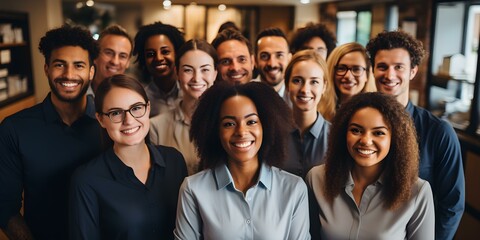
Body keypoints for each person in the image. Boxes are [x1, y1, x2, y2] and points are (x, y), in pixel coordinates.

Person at [0, 24, 102, 240]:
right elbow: (4, 207)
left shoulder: (111, 124)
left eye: (79, 65)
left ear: (91, 72)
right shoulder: (14, 129)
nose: (69, 74)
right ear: (46, 68)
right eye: (59, 64)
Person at [174, 82, 310, 239]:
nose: (241, 131)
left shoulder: (294, 189)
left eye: (251, 121)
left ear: (266, 126)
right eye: (229, 124)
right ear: (214, 131)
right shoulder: (193, 189)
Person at [366, 30, 465, 240]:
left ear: (413, 71)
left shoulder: (439, 132)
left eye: (398, 67)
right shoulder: (357, 125)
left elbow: (452, 204)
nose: (390, 75)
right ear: (373, 70)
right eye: (382, 66)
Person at [69, 74, 187, 239]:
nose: (129, 120)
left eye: (137, 108)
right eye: (116, 112)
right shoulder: (86, 180)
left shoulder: (174, 160)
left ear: (148, 108)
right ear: (101, 119)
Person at [307, 92, 435, 240]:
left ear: (395, 139)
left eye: (378, 133)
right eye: (356, 130)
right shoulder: (316, 179)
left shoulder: (418, 192)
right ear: (343, 133)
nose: (366, 140)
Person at [150, 39, 218, 175]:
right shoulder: (156, 127)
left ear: (215, 73)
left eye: (205, 69)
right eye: (188, 70)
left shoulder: (227, 122)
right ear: (177, 73)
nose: (197, 78)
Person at [282, 49, 330, 179]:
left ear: (324, 87)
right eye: (297, 81)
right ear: (287, 84)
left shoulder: (336, 136)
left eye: (314, 82)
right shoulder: (274, 133)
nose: (305, 90)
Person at [133, 21, 185, 117]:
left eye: (165, 51)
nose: (158, 58)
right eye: (150, 54)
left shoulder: (190, 92)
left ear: (177, 53)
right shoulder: (139, 99)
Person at [323, 42, 376, 120]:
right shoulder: (318, 110)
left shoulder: (376, 113)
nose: (348, 76)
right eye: (341, 68)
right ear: (332, 72)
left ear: (367, 75)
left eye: (357, 69)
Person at [90, 24, 133, 95]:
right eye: (109, 53)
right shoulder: (77, 96)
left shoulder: (133, 98)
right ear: (95, 55)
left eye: (122, 56)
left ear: (128, 62)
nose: (115, 62)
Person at [254, 27, 292, 103]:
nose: (272, 64)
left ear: (289, 59)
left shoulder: (298, 97)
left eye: (279, 55)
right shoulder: (245, 95)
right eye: (264, 56)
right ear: (255, 61)